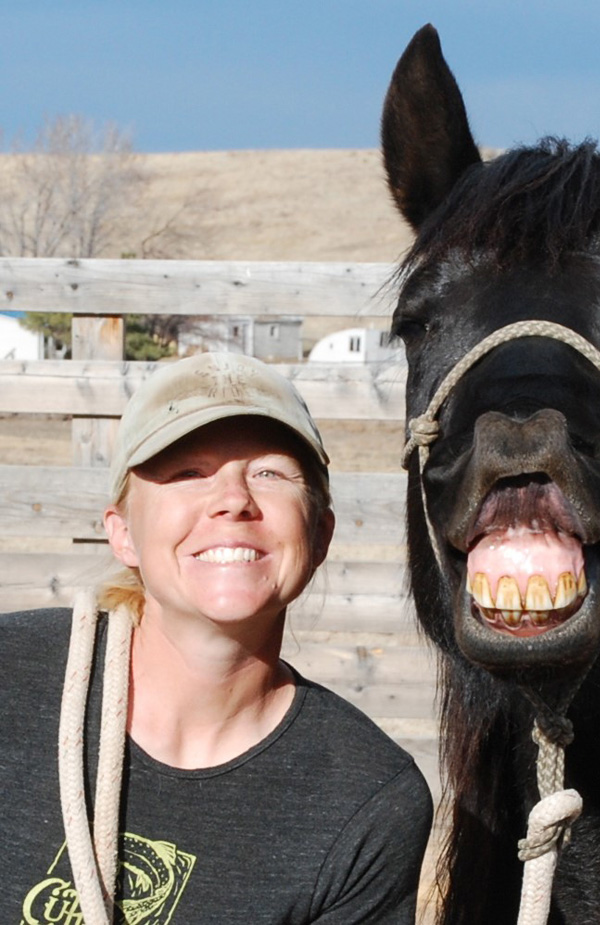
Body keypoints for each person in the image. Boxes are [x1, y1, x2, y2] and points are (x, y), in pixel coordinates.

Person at [0, 352, 433, 923]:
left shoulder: (367, 798)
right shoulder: (13, 674)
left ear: (320, 533)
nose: (233, 499)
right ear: (123, 534)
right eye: (188, 473)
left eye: (269, 473)